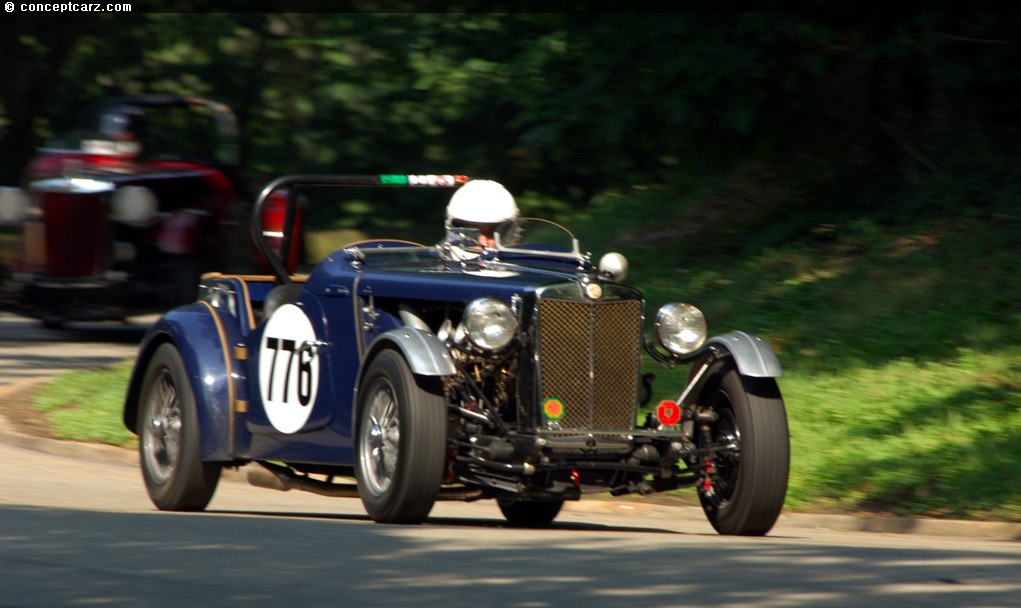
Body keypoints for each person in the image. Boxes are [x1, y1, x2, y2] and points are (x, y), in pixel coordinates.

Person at [441, 179, 519, 259]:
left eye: (491, 234)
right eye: (472, 234)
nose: (482, 242)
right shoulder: (435, 265)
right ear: (455, 229)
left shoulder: (525, 264)